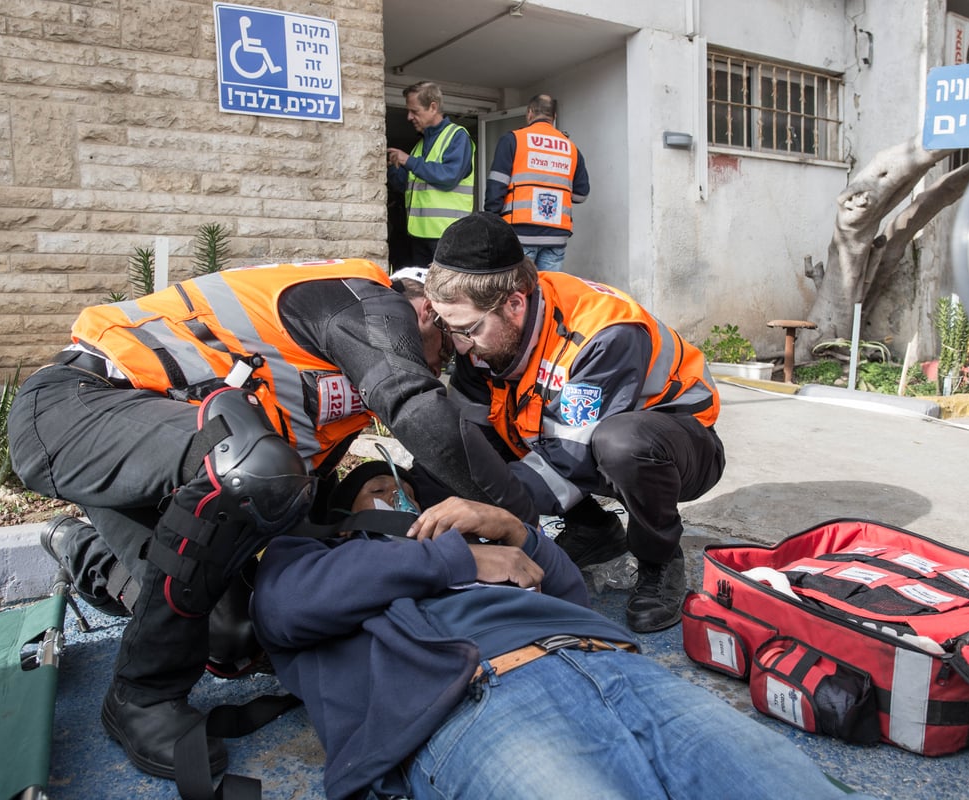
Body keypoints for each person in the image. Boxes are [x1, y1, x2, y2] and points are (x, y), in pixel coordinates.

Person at [7, 258, 535, 781]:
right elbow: (422, 415)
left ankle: (89, 556)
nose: (450, 358)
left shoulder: (340, 394)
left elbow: (295, 516)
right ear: (422, 309)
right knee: (255, 466)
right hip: (76, 408)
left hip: (167, 469)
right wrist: (524, 521)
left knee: (230, 638)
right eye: (449, 345)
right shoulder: (366, 301)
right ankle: (141, 694)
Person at [250, 488, 880, 800]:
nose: (400, 503)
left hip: (619, 668)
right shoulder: (316, 561)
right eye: (379, 497)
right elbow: (283, 608)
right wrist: (449, 558)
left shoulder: (482, 550)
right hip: (480, 700)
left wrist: (514, 532)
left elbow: (567, 596)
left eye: (406, 494)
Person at [423, 212, 726, 633]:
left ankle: (659, 559)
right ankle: (594, 532)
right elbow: (464, 435)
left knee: (620, 444)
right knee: (473, 440)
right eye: (446, 325)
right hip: (574, 443)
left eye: (467, 329)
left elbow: (571, 457)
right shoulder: (481, 334)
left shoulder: (604, 331)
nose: (458, 344)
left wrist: (500, 516)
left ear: (514, 303)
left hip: (677, 446)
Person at [484, 93, 590, 272]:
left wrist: (491, 223)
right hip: (556, 236)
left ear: (530, 113)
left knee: (517, 292)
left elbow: (497, 186)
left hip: (520, 234)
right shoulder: (571, 148)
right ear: (554, 117)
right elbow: (581, 195)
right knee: (547, 291)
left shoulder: (513, 140)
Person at [387, 81, 475, 267]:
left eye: (415, 111)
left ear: (433, 107)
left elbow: (449, 177)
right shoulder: (420, 145)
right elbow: (406, 186)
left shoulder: (457, 136)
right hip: (418, 236)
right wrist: (392, 167)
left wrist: (408, 161)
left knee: (445, 294)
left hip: (446, 237)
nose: (409, 117)